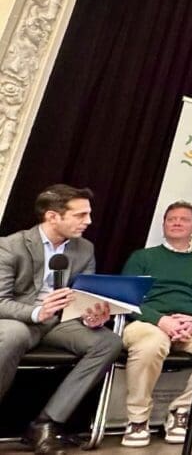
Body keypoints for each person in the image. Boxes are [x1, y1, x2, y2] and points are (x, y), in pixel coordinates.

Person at [0, 185, 122, 455]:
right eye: (80, 215)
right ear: (52, 216)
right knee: (13, 335)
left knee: (108, 342)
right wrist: (37, 312)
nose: (88, 221)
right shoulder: (10, 245)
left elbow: (84, 296)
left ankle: (46, 423)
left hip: (60, 322)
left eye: (88, 214)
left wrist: (91, 316)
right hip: (21, 318)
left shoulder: (85, 248)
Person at [119, 201, 192, 447]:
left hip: (190, 326)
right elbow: (126, 299)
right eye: (171, 219)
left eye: (184, 219)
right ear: (163, 225)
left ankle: (181, 412)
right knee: (151, 344)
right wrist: (161, 320)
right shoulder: (142, 257)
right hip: (148, 322)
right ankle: (138, 419)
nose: (177, 223)